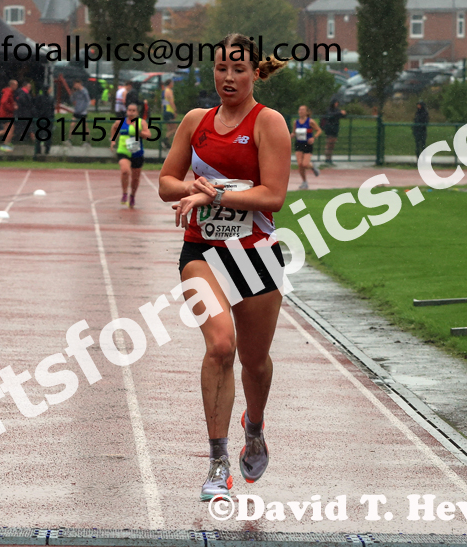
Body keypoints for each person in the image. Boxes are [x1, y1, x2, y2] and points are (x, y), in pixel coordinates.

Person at [157, 33, 291, 501]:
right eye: (220, 68)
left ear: (255, 73)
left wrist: (213, 193)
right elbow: (165, 184)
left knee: (254, 363)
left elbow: (273, 196)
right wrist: (189, 188)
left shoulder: (267, 123)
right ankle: (216, 462)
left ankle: (253, 428)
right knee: (220, 346)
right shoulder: (196, 122)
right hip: (202, 253)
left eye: (238, 69)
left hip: (254, 255)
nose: (228, 78)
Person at [110, 102, 151, 209]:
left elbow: (148, 135)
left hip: (137, 152)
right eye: (129, 110)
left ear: (137, 112)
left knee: (135, 178)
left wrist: (139, 132)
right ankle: (124, 193)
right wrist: (113, 141)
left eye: (133, 111)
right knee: (125, 171)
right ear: (126, 111)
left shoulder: (141, 122)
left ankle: (132, 195)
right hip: (123, 150)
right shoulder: (120, 122)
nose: (131, 112)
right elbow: (114, 128)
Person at [293, 105, 321, 190]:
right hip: (298, 144)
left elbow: (319, 130)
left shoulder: (310, 121)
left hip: (307, 144)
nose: (301, 111)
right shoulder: (296, 122)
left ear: (306, 112)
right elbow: (294, 132)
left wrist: (314, 137)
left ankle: (312, 166)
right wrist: (290, 135)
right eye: (300, 110)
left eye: (302, 110)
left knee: (305, 164)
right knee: (300, 164)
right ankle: (304, 182)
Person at [0, 80, 18, 152]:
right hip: (6, 114)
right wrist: (12, 108)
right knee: (11, 129)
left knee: (6, 130)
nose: (17, 87)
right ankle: (5, 145)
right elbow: (3, 102)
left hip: (5, 114)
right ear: (12, 85)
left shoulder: (10, 92)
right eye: (16, 85)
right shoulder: (8, 92)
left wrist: (13, 104)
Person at [321, 98, 346, 164]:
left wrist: (343, 113)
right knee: (329, 143)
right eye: (336, 103)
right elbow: (330, 115)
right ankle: (327, 158)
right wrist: (339, 113)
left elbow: (342, 115)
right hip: (329, 128)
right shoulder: (329, 109)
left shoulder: (337, 110)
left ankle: (330, 158)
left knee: (332, 144)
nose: (337, 104)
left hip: (335, 128)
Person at [34, 85, 55, 156]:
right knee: (47, 135)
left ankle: (38, 150)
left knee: (39, 135)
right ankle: (46, 150)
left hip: (41, 118)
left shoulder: (40, 97)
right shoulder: (50, 98)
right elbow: (52, 109)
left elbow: (36, 107)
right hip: (47, 118)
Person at [67, 80, 91, 146]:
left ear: (79, 84)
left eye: (76, 84)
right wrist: (72, 94)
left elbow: (88, 101)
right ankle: (69, 140)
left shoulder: (84, 91)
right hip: (76, 111)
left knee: (85, 127)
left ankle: (88, 141)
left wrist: (83, 108)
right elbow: (72, 100)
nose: (75, 86)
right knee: (72, 125)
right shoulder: (76, 92)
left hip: (82, 112)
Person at [13, 81, 35, 146]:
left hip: (23, 113)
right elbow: (24, 102)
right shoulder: (23, 93)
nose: (30, 88)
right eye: (29, 86)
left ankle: (21, 141)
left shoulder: (20, 92)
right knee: (29, 127)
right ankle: (34, 142)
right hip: (24, 114)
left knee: (22, 128)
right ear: (25, 86)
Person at [162, 79, 177, 148]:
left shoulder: (164, 91)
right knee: (174, 129)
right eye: (172, 83)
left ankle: (166, 143)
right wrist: (175, 111)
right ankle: (164, 140)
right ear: (169, 83)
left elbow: (163, 104)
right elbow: (171, 102)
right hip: (169, 111)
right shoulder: (169, 91)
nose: (173, 84)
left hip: (165, 111)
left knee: (169, 129)